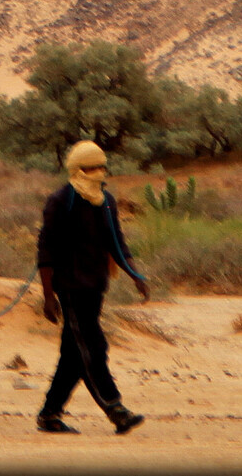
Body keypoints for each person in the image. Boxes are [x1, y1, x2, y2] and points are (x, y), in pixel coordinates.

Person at [35, 138, 149, 435]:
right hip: (70, 287)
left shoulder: (106, 200)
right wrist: (48, 296)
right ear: (76, 169)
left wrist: (136, 275)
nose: (98, 172)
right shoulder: (61, 201)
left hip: (96, 285)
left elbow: (117, 241)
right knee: (93, 348)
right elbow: (45, 249)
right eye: (90, 168)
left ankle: (49, 415)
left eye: (101, 167)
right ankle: (116, 410)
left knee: (74, 355)